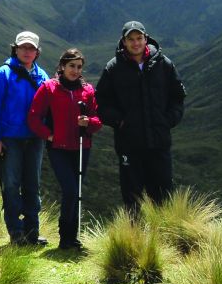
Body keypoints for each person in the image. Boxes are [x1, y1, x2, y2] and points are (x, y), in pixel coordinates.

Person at [95, 20, 186, 212]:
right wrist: (119, 121)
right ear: (124, 41)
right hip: (129, 143)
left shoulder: (164, 64)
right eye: (131, 39)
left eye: (139, 38)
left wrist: (168, 120)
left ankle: (163, 238)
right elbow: (101, 102)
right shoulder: (113, 68)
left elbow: (177, 97)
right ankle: (135, 239)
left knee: (163, 195)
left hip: (159, 142)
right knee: (132, 196)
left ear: (146, 39)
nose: (135, 43)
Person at [28, 49, 102, 251]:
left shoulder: (87, 91)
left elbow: (97, 121)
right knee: (70, 190)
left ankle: (72, 238)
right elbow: (34, 117)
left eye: (79, 67)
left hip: (81, 146)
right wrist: (49, 136)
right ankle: (65, 236)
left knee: (75, 192)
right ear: (62, 66)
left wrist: (88, 122)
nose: (75, 70)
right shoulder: (49, 88)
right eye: (71, 66)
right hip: (58, 148)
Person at [0, 31, 51, 245]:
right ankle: (15, 231)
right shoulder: (3, 74)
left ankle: (32, 232)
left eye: (31, 48)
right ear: (15, 48)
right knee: (12, 184)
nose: (27, 51)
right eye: (23, 47)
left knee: (32, 184)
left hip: (34, 138)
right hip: (10, 138)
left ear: (37, 52)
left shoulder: (42, 76)